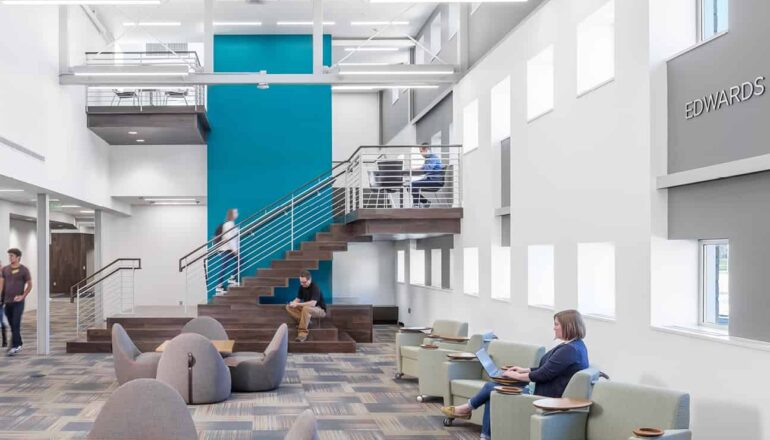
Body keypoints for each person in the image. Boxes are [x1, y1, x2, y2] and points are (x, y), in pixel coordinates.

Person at [440, 310, 589, 440]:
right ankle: (483, 433)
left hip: (545, 395)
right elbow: (547, 369)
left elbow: (543, 375)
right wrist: (522, 370)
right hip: (542, 387)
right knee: (492, 389)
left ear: (568, 326)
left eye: (556, 324)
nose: (553, 327)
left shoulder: (570, 350)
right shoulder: (572, 345)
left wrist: (514, 376)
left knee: (492, 388)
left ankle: (467, 410)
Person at [0, 248, 33, 356]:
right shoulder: (5, 269)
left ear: (18, 257)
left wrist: (23, 296)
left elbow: (29, 284)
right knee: (12, 325)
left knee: (15, 323)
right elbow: (2, 285)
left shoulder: (24, 270)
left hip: (18, 302)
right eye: (9, 256)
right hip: (7, 302)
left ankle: (15, 346)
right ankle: (18, 342)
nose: (10, 258)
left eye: (12, 256)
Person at [285, 270, 327, 342]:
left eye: (304, 282)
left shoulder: (315, 287)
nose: (302, 284)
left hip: (320, 310)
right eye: (300, 282)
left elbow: (313, 304)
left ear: (309, 279)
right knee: (288, 307)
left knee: (306, 308)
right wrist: (293, 303)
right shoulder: (301, 287)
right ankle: (306, 322)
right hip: (308, 308)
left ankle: (302, 334)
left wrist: (297, 304)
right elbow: (298, 299)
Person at [411, 143, 444, 208]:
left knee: (413, 184)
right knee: (409, 186)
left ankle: (416, 205)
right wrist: (412, 169)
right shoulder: (428, 158)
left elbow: (427, 169)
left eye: (421, 151)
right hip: (430, 179)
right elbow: (423, 168)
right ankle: (425, 202)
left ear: (426, 149)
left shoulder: (433, 158)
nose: (420, 153)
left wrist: (418, 170)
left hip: (435, 181)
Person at [217, 208, 240, 292]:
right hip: (227, 249)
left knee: (225, 266)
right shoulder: (229, 224)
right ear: (231, 214)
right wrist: (235, 250)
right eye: (235, 212)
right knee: (224, 267)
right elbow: (230, 238)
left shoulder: (232, 224)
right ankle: (221, 285)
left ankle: (230, 279)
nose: (237, 214)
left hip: (229, 249)